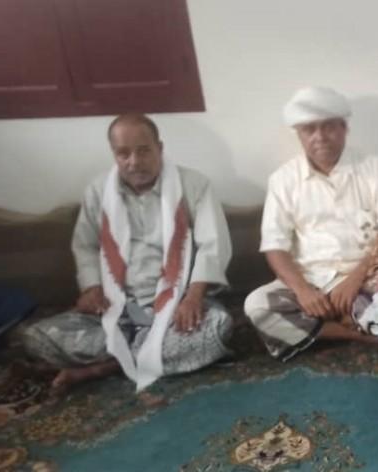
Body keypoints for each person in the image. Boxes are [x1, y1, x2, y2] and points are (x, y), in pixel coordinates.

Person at [21, 114, 234, 393]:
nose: (134, 161)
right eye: (124, 153)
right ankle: (141, 354)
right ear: (114, 154)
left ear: (159, 148)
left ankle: (104, 366)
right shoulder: (98, 191)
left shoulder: (194, 185)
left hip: (176, 304)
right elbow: (85, 245)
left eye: (143, 151)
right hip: (117, 308)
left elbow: (212, 245)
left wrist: (193, 297)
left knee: (218, 327)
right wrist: (92, 288)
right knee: (36, 337)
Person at [244, 86, 378, 360]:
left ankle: (327, 324)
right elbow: (275, 247)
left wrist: (354, 281)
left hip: (367, 276)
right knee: (257, 305)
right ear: (299, 134)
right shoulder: (283, 180)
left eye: (329, 127)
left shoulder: (376, 168)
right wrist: (302, 291)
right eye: (309, 129)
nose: (319, 136)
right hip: (311, 278)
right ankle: (347, 332)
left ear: (344, 128)